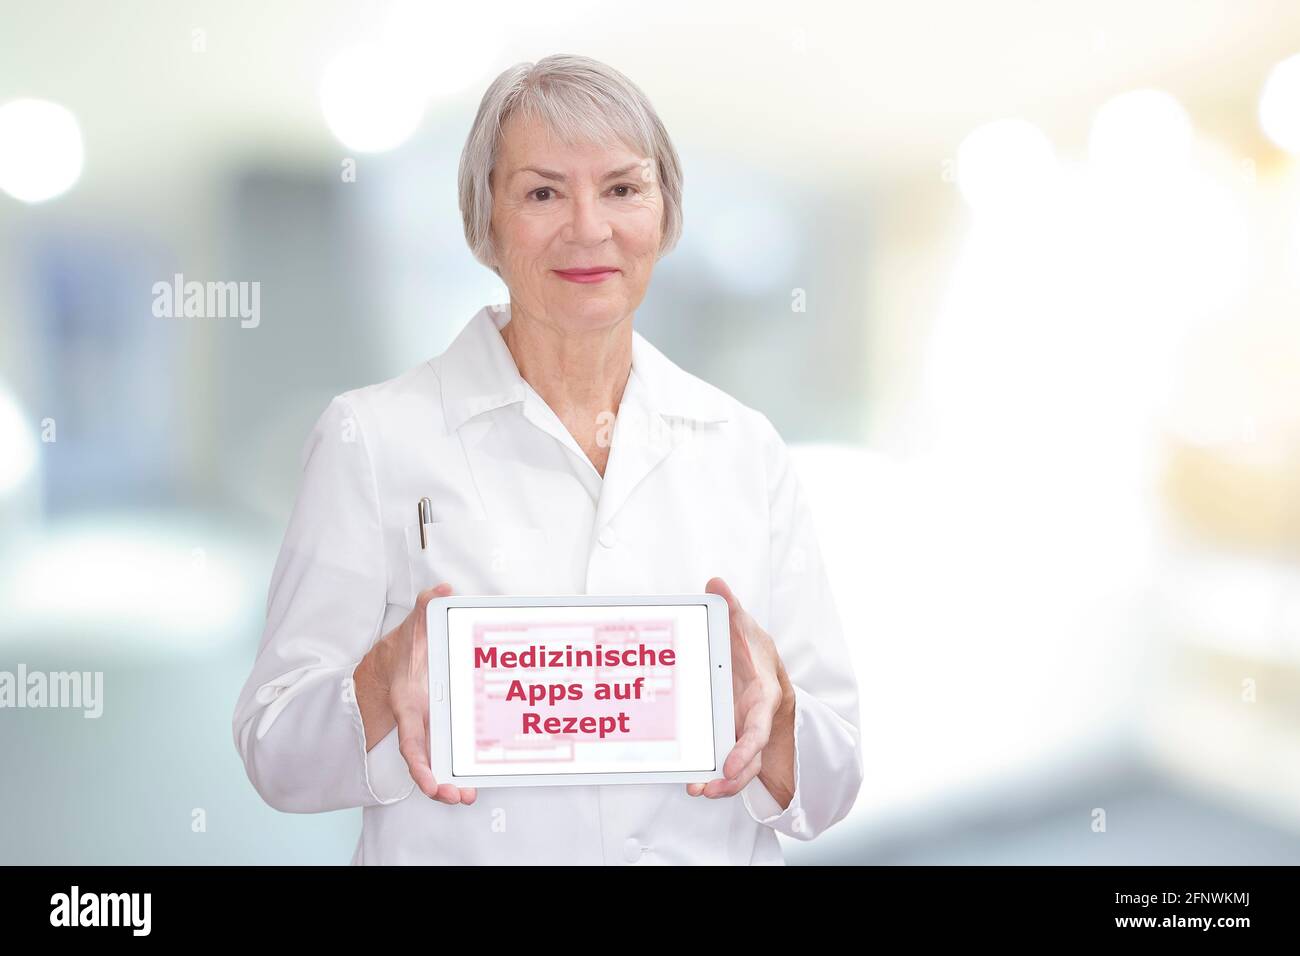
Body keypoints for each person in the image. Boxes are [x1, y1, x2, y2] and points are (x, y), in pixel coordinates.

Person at [232, 53, 863, 865]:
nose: (588, 228)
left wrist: (775, 720)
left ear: (665, 215)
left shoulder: (745, 449)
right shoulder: (373, 439)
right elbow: (274, 749)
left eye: (623, 188)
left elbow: (835, 776)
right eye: (541, 192)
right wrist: (380, 680)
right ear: (485, 223)